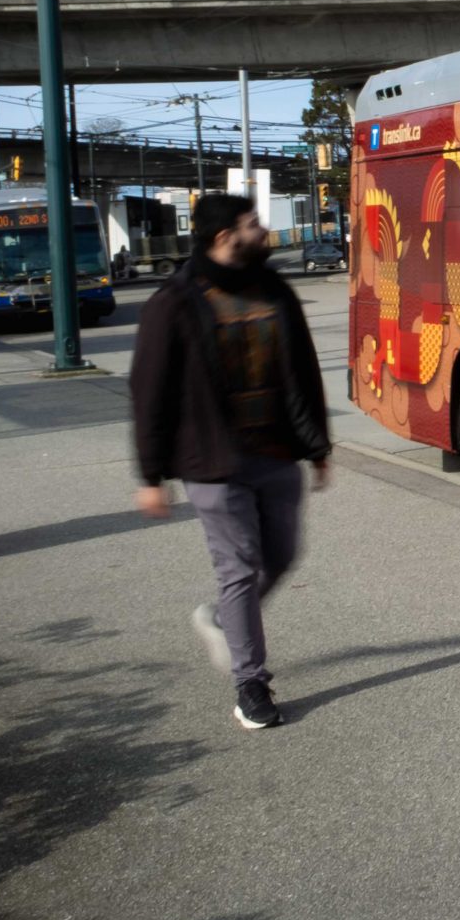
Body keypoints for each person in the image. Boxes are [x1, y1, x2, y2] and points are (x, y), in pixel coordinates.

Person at [131, 195, 332, 729]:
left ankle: (222, 618)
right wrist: (150, 475)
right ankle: (251, 685)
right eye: (253, 224)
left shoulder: (275, 291)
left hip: (275, 453)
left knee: (281, 557)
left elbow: (304, 372)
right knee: (239, 566)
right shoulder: (175, 302)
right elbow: (148, 390)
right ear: (224, 237)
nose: (264, 231)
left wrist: (318, 447)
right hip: (213, 461)